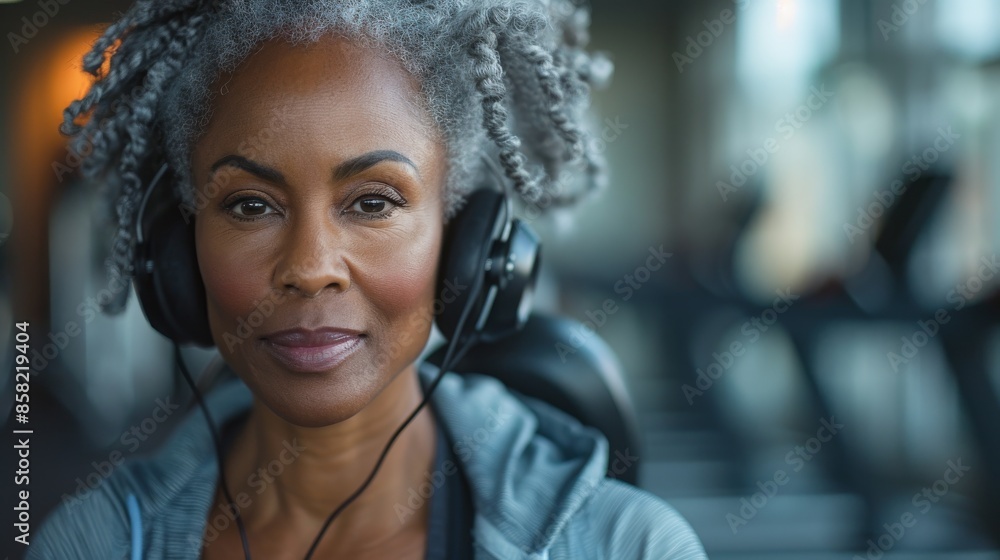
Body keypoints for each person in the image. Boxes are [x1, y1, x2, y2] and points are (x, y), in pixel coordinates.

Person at [30, 0, 707, 558]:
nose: (309, 267)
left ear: (471, 245)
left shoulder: (629, 546)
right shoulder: (94, 545)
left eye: (373, 202)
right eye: (250, 205)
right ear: (175, 253)